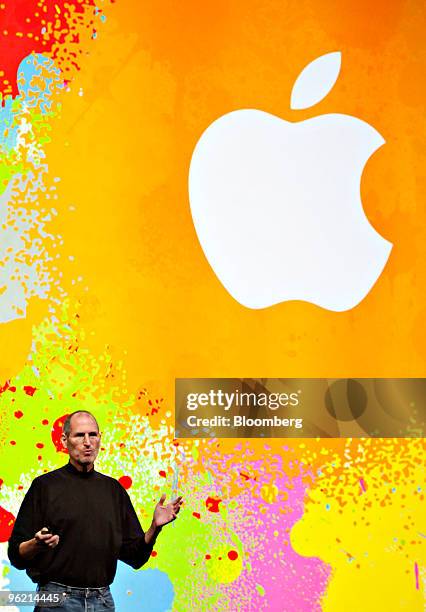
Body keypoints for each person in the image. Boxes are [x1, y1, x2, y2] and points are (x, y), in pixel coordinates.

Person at [8, 410, 183, 611]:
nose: (87, 442)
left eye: (92, 435)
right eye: (79, 435)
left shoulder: (114, 490)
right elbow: (16, 554)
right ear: (65, 441)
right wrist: (37, 544)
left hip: (102, 601)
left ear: (100, 439)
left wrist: (154, 527)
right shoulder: (44, 487)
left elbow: (135, 557)